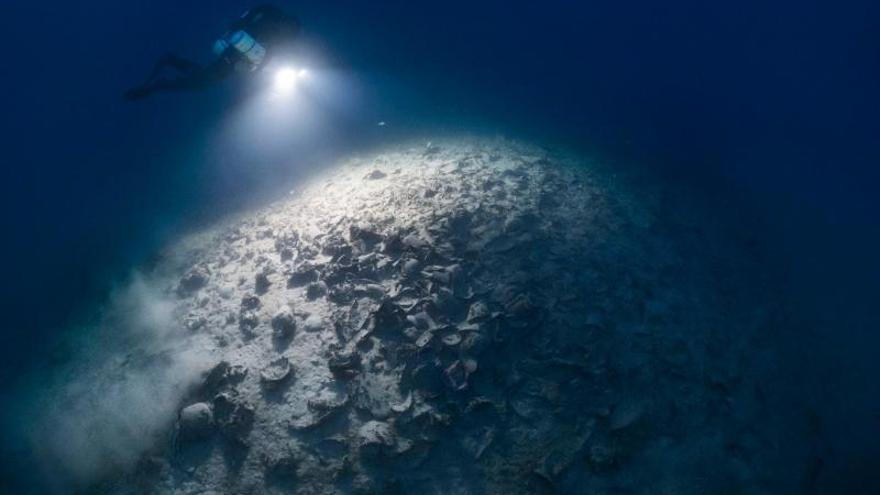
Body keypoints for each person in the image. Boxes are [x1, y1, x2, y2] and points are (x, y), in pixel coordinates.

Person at [125, 4, 300, 100]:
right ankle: (159, 83)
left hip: (233, 49)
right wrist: (258, 69)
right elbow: (267, 53)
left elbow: (253, 13)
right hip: (234, 55)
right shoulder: (277, 28)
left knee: (205, 76)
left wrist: (240, 24)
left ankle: (167, 70)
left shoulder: (272, 16)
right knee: (203, 81)